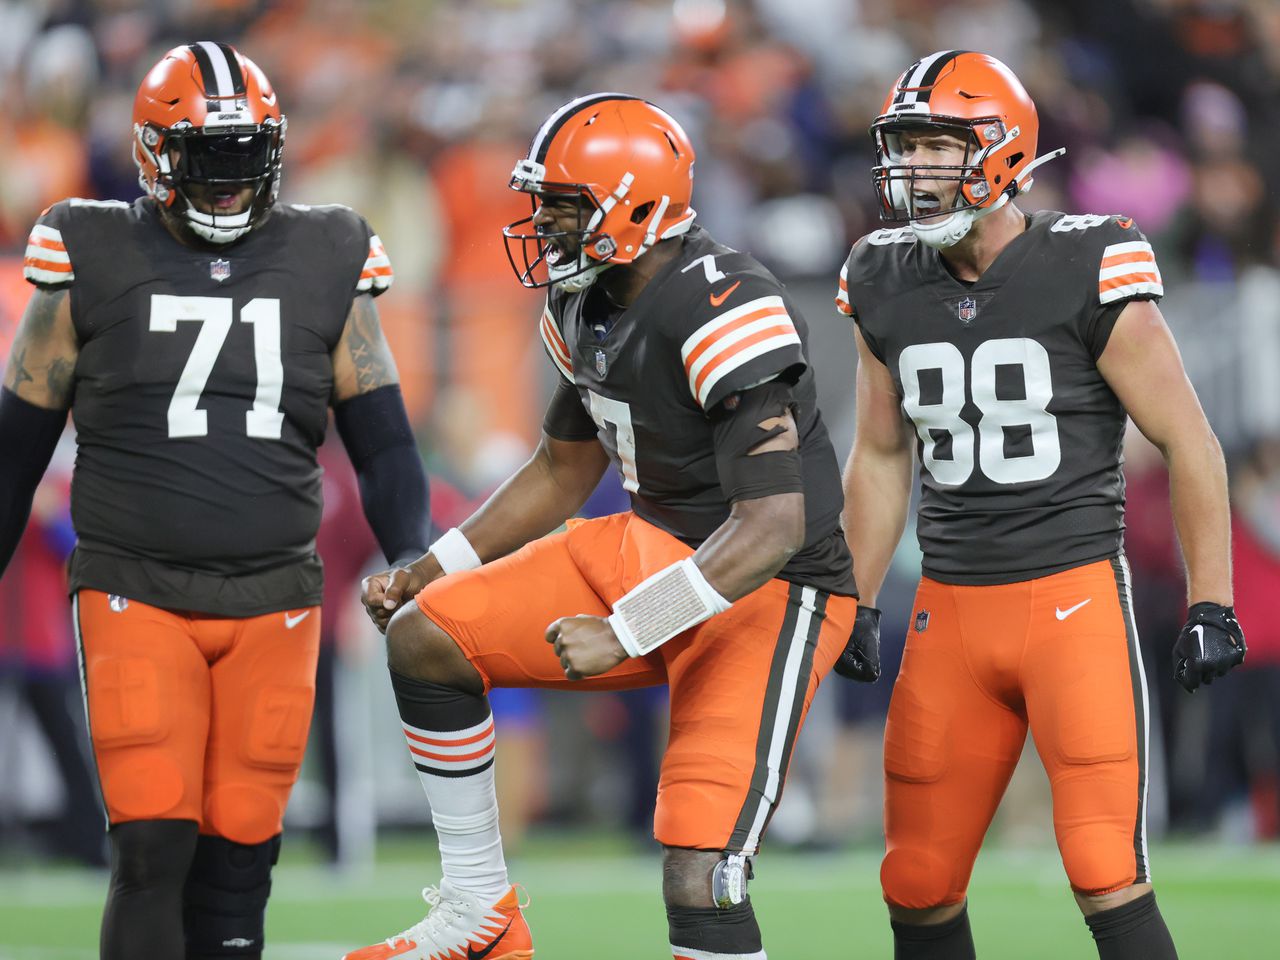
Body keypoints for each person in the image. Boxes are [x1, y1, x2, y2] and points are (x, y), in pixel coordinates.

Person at [345, 93, 863, 960]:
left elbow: (773, 526)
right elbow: (562, 466)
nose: (543, 223)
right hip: (653, 547)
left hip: (770, 589)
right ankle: (480, 910)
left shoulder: (724, 301)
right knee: (424, 637)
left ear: (636, 202)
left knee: (700, 871)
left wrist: (630, 627)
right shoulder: (584, 301)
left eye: (562, 205)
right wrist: (434, 566)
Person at [0, 42, 430, 960]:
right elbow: (17, 447)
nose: (231, 184)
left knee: (241, 859)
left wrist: (416, 554)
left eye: (246, 158)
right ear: (156, 154)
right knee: (153, 847)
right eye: (208, 159)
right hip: (135, 588)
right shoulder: (90, 247)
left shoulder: (330, 249)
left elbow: (384, 434)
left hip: (276, 595)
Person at [834, 51, 1247, 960]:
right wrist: (855, 599)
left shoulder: (1086, 258)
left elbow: (1190, 439)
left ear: (1003, 151)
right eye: (906, 148)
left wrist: (1212, 599)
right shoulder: (880, 275)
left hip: (1073, 603)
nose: (916, 172)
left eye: (938, 148)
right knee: (916, 880)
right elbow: (877, 453)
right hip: (948, 608)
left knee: (1105, 866)